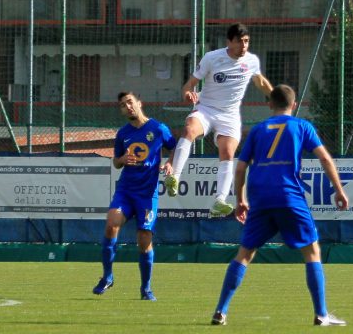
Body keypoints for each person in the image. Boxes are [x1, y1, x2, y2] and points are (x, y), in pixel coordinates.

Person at [210, 84, 349, 326]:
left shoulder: (257, 130)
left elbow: (241, 167)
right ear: (294, 105)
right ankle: (321, 314)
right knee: (312, 251)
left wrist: (240, 200)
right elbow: (325, 158)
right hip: (288, 196)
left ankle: (220, 311)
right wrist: (339, 190)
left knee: (244, 254)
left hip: (260, 198)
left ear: (270, 104)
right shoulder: (302, 126)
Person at [164, 23, 273, 216]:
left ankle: (219, 201)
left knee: (228, 153)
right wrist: (188, 93)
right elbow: (189, 85)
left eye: (247, 41)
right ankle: (174, 177)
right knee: (189, 129)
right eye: (240, 42)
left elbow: (261, 82)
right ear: (229, 42)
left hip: (230, 115)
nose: (244, 46)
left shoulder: (252, 61)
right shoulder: (212, 58)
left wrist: (277, 98)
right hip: (206, 109)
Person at [92, 91, 176, 300]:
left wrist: (171, 163)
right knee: (111, 224)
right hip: (126, 191)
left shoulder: (158, 128)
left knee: (144, 238)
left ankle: (146, 288)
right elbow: (116, 162)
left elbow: (175, 148)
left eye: (130, 102)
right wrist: (121, 158)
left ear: (139, 103)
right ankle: (108, 276)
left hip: (147, 194)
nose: (127, 107)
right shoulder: (123, 134)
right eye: (122, 105)